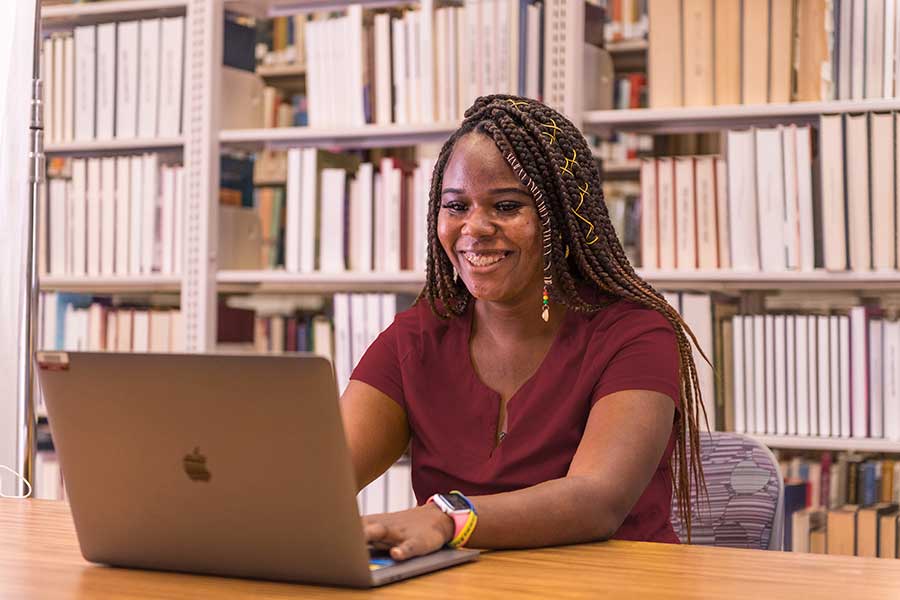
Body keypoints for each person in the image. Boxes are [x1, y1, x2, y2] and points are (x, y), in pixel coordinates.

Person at [341, 95, 706, 561]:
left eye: (507, 206)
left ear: (562, 219)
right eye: (456, 206)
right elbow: (321, 477)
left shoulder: (633, 334)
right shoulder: (415, 338)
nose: (475, 227)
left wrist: (446, 517)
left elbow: (598, 501)